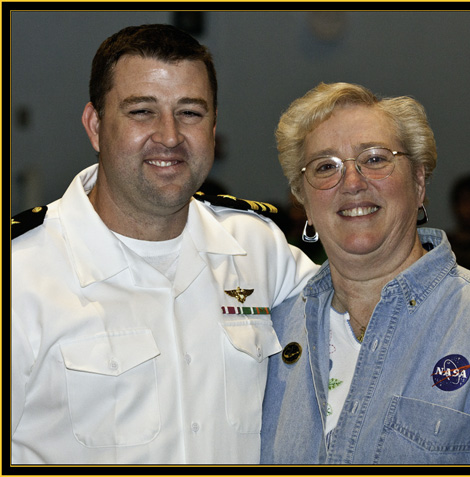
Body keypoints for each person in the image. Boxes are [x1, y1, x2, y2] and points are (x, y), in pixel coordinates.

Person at [11, 24, 318, 465]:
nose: (170, 136)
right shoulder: (22, 274)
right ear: (96, 126)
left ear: (213, 130)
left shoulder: (257, 247)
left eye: (190, 113)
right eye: (142, 111)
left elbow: (355, 324)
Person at [260, 82, 470, 465]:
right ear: (304, 201)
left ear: (418, 183)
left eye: (376, 159)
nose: (351, 182)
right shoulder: (271, 333)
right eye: (325, 166)